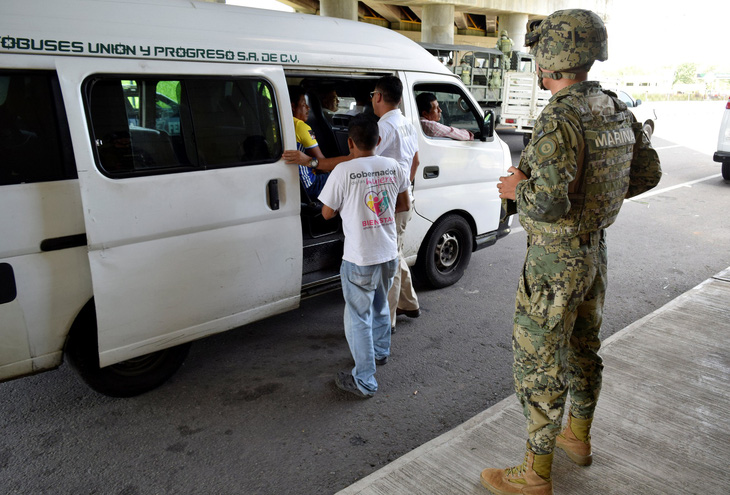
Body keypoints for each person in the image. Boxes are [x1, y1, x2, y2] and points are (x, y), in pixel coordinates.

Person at [480, 9, 661, 495]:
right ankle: (576, 438)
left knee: (539, 361)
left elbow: (547, 201)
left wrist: (516, 186)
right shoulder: (615, 106)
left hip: (554, 261)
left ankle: (535, 474)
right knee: (583, 348)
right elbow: (647, 175)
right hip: (595, 252)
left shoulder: (559, 117)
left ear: (546, 60)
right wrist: (596, 201)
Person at [318, 114, 411, 398]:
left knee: (358, 318)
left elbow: (326, 213)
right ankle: (381, 352)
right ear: (378, 141)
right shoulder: (393, 166)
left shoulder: (343, 171)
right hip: (387, 253)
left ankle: (365, 380)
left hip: (359, 258)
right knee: (381, 306)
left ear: (350, 142)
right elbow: (404, 204)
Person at [371, 75, 421, 332]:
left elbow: (362, 160)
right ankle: (409, 303)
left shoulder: (383, 128)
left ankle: (386, 321)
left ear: (378, 96)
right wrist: (404, 187)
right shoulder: (406, 124)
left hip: (390, 204)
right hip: (404, 199)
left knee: (389, 260)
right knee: (397, 252)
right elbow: (415, 162)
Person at [282, 86, 350, 198]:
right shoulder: (301, 127)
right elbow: (322, 164)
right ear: (293, 107)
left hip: (294, 184)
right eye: (304, 104)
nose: (308, 108)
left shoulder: (276, 125)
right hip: (310, 185)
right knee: (345, 179)